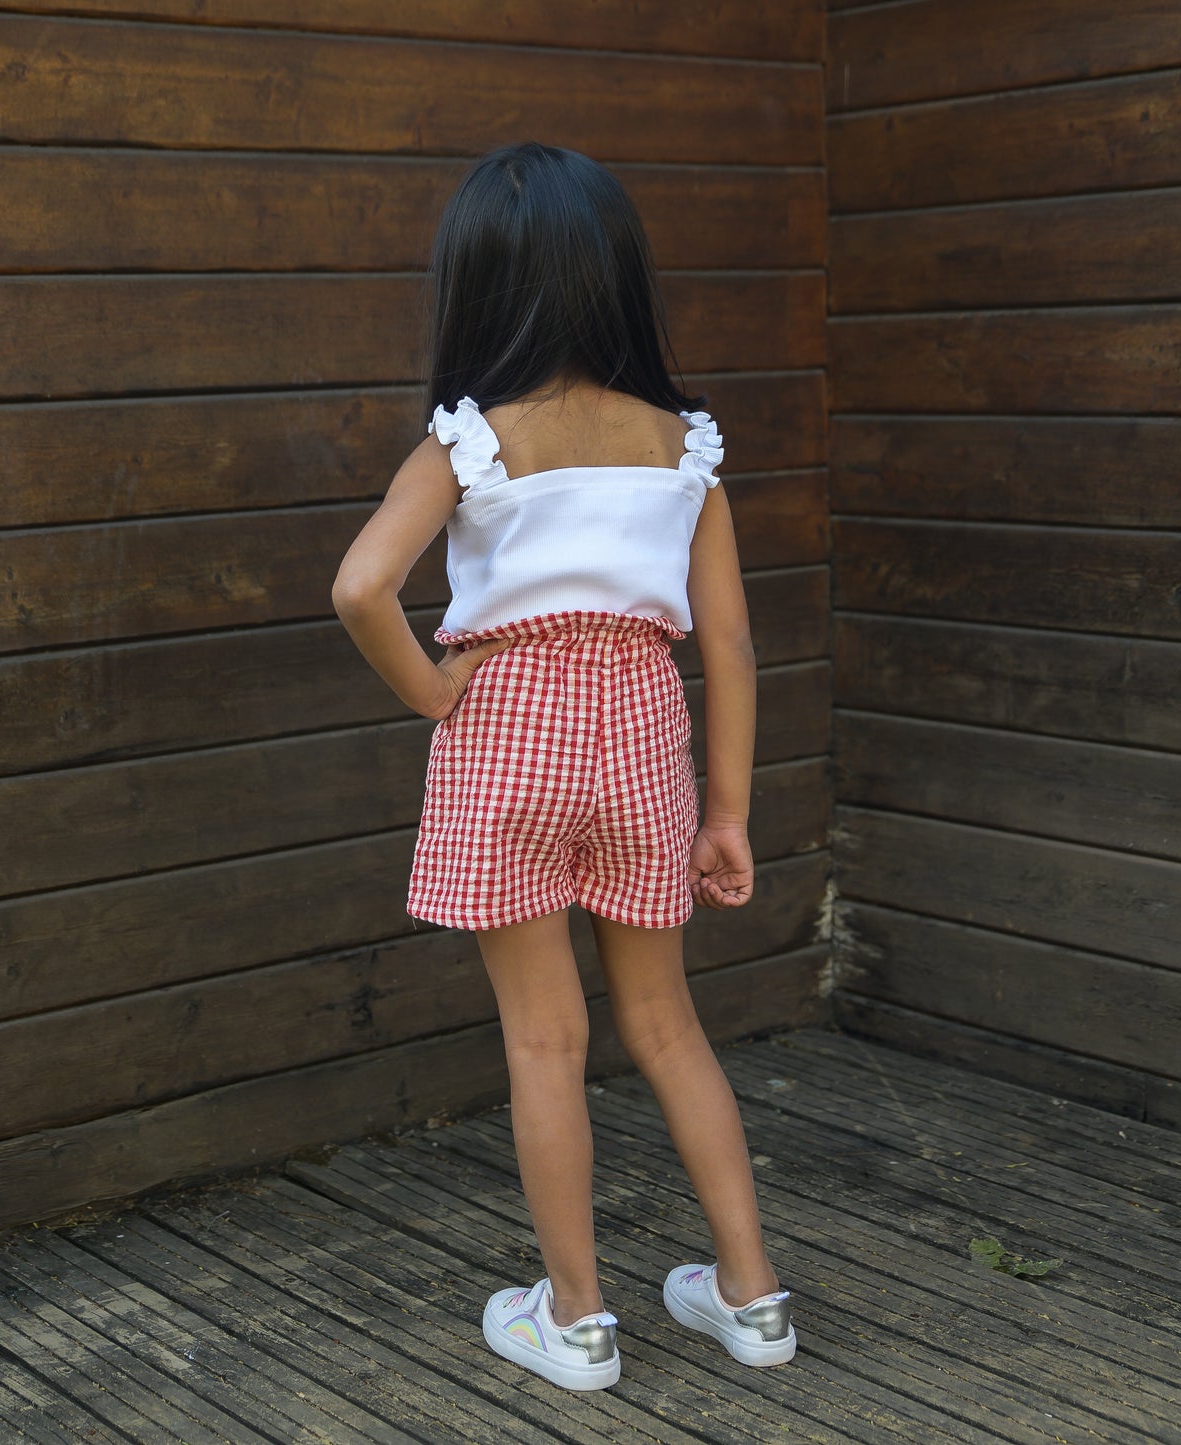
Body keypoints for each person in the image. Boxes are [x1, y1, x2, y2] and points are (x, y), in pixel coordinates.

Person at [331, 141, 795, 1392]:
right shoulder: (680, 444)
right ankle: (750, 1296)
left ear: (480, 286)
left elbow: (362, 585)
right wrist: (729, 810)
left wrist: (434, 689)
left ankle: (578, 1321)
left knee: (545, 1039)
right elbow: (734, 643)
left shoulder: (472, 443)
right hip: (642, 729)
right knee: (667, 1023)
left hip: (509, 735)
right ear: (617, 282)